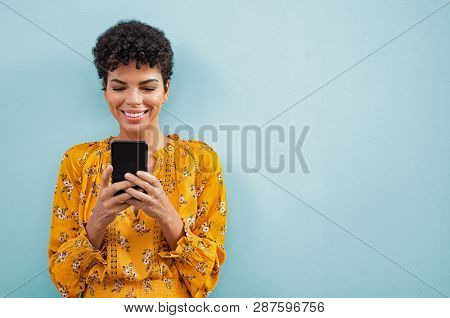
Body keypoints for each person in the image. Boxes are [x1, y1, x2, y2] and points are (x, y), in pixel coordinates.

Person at [47, 19, 227, 298]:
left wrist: (168, 216)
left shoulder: (200, 161)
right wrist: (97, 221)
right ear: (105, 91)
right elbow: (63, 282)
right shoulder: (78, 161)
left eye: (147, 87)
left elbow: (205, 281)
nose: (133, 100)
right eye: (119, 87)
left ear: (166, 90)